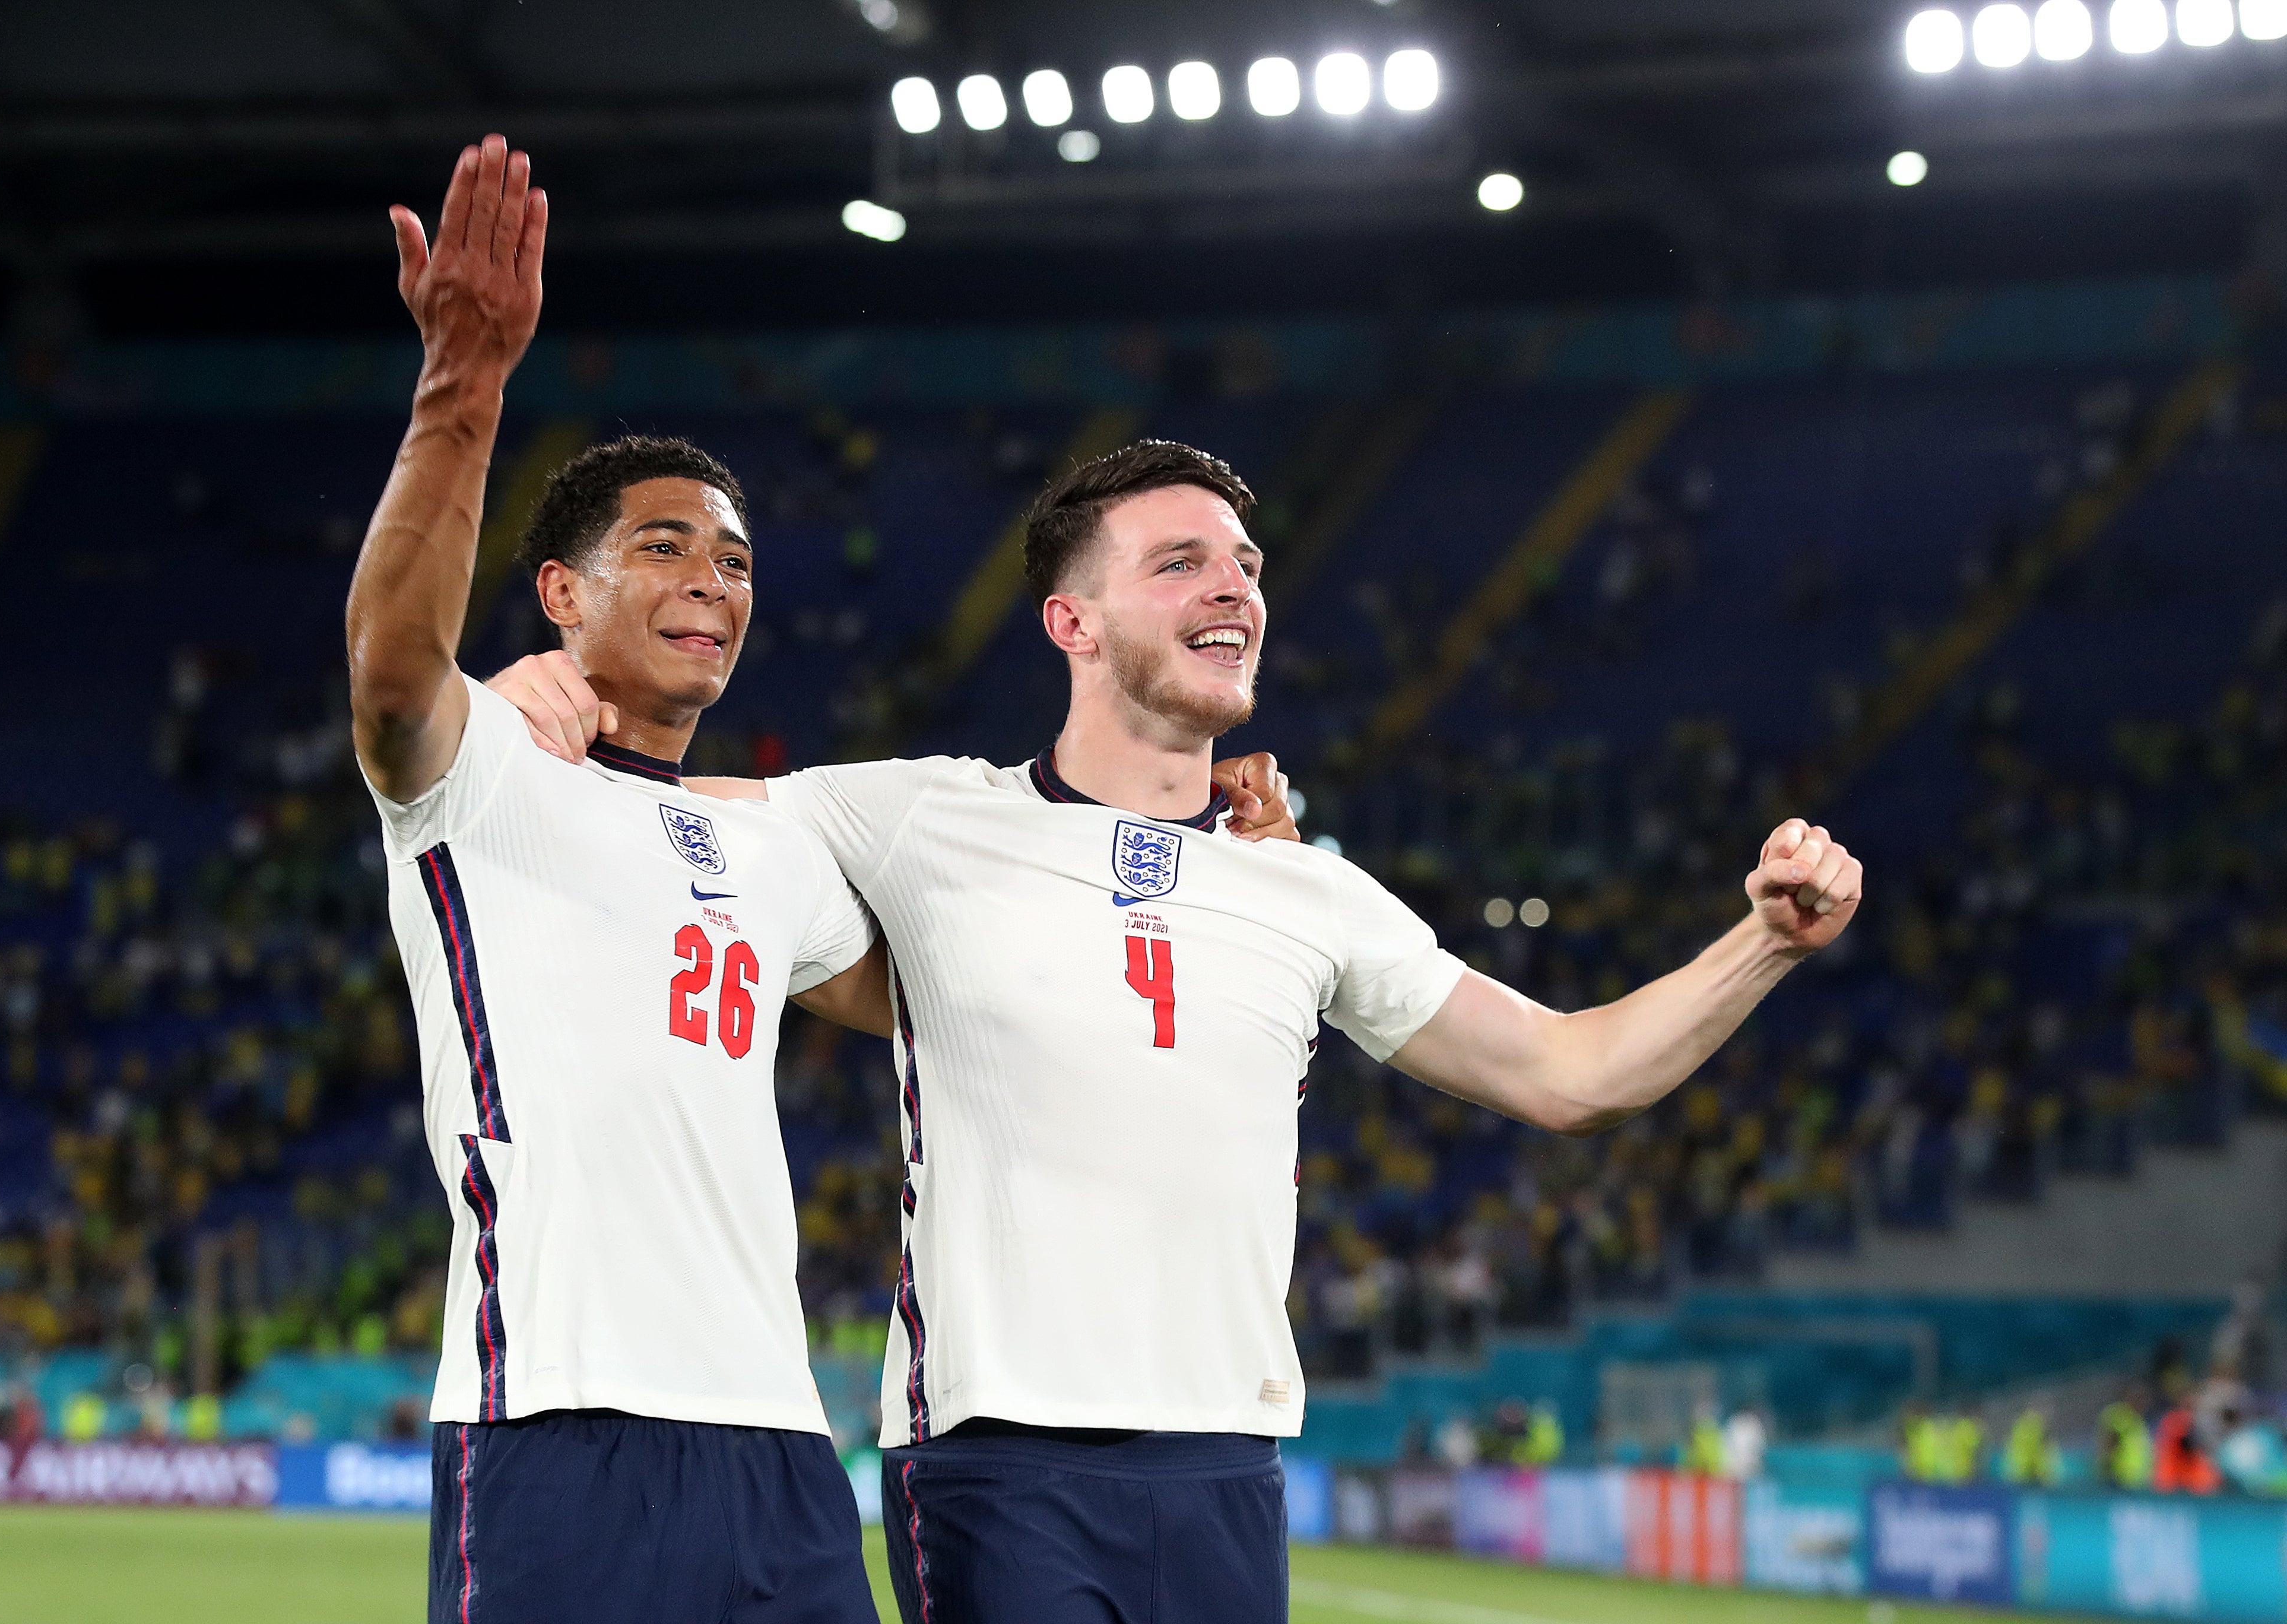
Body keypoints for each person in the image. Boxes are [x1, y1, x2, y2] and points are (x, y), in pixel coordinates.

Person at [493, 439, 1864, 1623]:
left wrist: (1765, 943)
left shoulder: (1308, 887)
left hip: (1228, 1466)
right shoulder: (919, 817)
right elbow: (655, 818)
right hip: (996, 1461)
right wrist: (515, 709)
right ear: (1070, 623)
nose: (1234, 586)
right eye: (1180, 562)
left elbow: (1575, 1073)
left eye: (1248, 565)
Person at [348, 135, 897, 1624]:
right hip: (559, 1427)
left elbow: (962, 998)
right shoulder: (487, 776)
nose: (714, 584)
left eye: (734, 565)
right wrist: (463, 389)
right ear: (561, 594)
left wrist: (1189, 849)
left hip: (782, 1451)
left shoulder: (773, 851)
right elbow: (394, 675)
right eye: (665, 549)